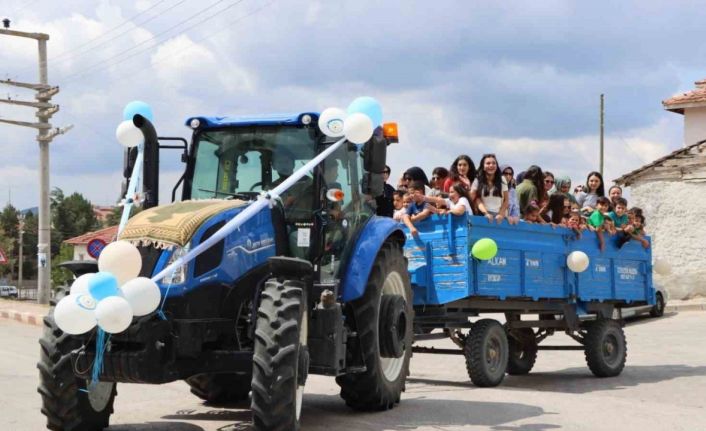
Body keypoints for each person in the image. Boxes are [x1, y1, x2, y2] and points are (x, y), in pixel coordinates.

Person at [471, 154, 508, 223]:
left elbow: (506, 200)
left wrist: (501, 214)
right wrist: (486, 213)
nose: (491, 165)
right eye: (488, 163)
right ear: (483, 167)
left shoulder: (502, 179)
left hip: (499, 216)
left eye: (494, 163)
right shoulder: (478, 180)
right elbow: (477, 199)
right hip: (483, 215)